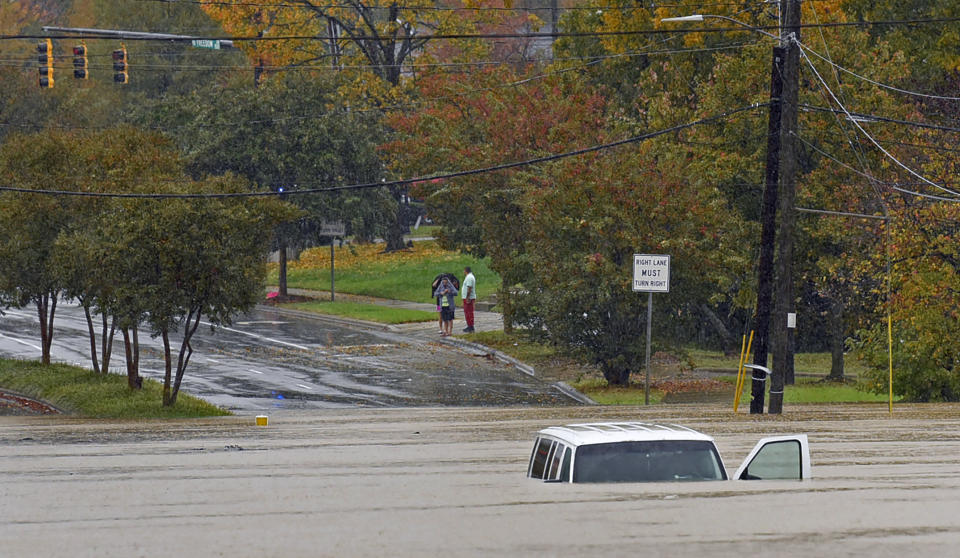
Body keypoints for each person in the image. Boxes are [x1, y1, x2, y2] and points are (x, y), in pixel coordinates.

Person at [461, 266, 477, 333]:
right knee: (467, 312)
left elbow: (469, 288)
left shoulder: (469, 277)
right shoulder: (468, 277)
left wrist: (467, 297)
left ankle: (471, 326)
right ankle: (469, 325)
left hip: (469, 298)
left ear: (466, 270)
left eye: (464, 271)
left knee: (469, 312)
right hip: (466, 297)